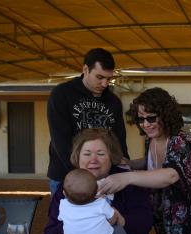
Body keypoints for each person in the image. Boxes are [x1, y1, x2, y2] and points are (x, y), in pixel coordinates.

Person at [98, 87, 191, 234]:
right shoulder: (151, 139)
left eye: (151, 118)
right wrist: (131, 164)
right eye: (141, 119)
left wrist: (126, 177)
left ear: (165, 116)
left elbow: (171, 175)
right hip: (175, 207)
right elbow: (153, 162)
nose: (145, 124)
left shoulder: (181, 141)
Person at [43, 128, 153, 234]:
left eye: (100, 154)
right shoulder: (68, 187)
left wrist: (121, 220)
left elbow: (145, 225)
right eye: (87, 154)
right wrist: (76, 224)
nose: (93, 160)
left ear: (112, 157)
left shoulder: (128, 182)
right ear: (77, 157)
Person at [47, 48, 129, 195]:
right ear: (85, 69)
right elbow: (60, 140)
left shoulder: (113, 101)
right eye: (99, 77)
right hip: (67, 176)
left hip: (104, 177)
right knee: (64, 217)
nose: (105, 84)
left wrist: (123, 169)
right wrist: (80, 178)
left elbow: (119, 139)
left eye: (109, 79)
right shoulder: (61, 95)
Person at [59, 168, 127, 234]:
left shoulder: (63, 205)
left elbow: (61, 219)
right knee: (120, 228)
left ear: (64, 193)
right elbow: (113, 219)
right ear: (96, 192)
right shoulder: (101, 203)